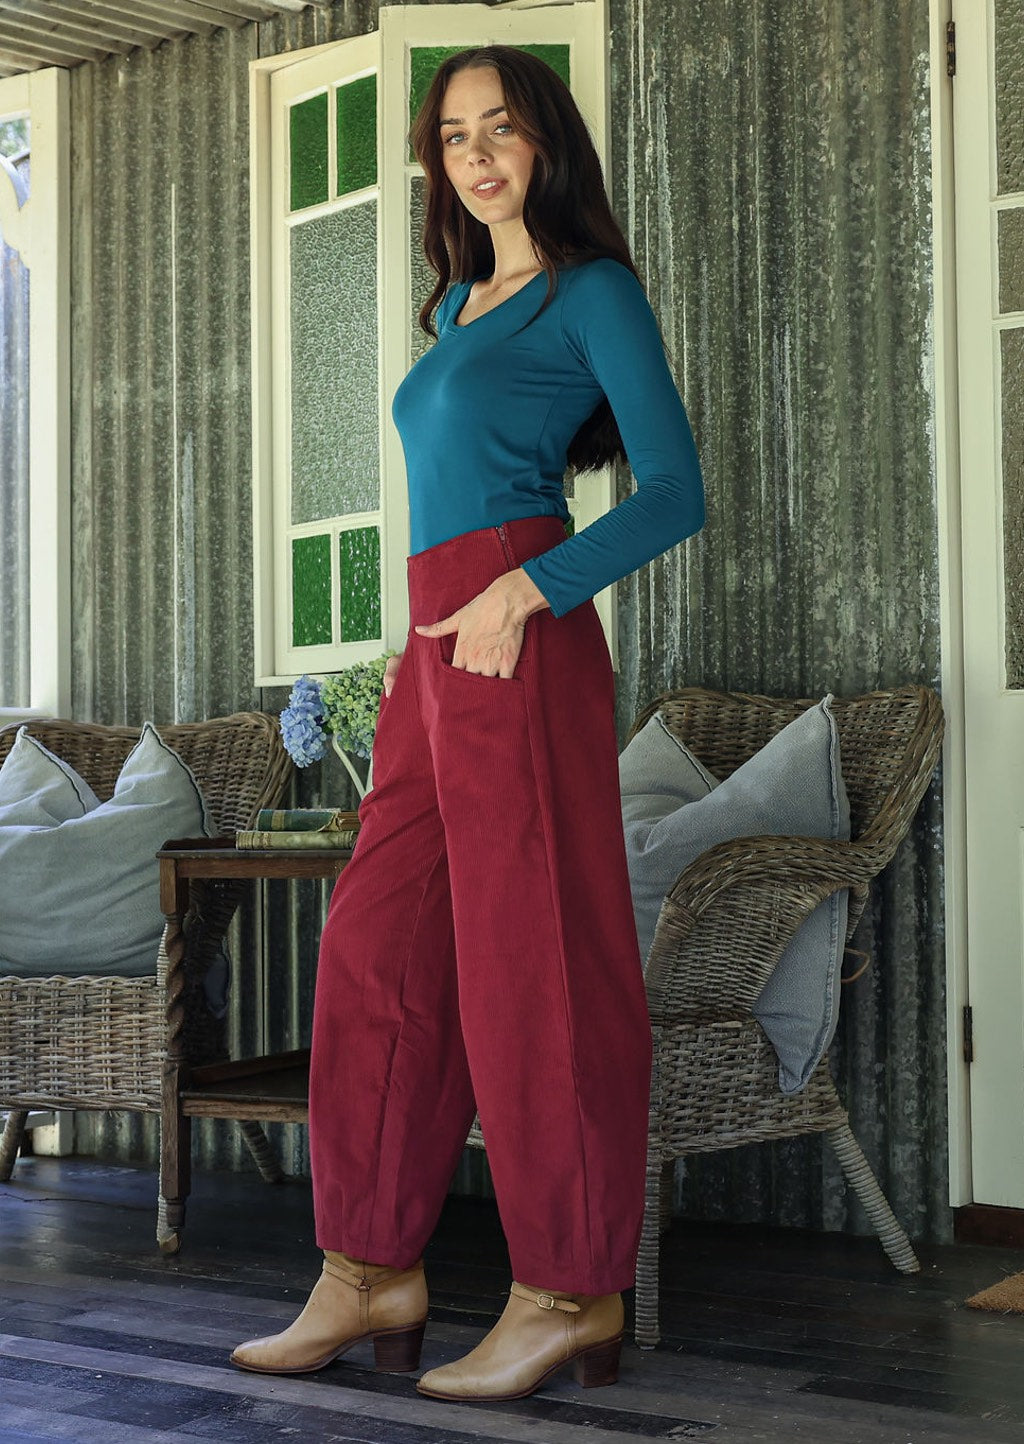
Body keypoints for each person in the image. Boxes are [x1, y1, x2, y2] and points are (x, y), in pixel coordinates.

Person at [231, 44, 704, 1402]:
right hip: (441, 646)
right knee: (377, 954)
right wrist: (431, 638)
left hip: (519, 631)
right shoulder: (456, 302)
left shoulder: (591, 290)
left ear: (546, 141)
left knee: (535, 963)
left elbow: (674, 491)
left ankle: (568, 1288)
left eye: (501, 127)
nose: (479, 153)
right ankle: (367, 1267)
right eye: (453, 135)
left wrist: (526, 592)